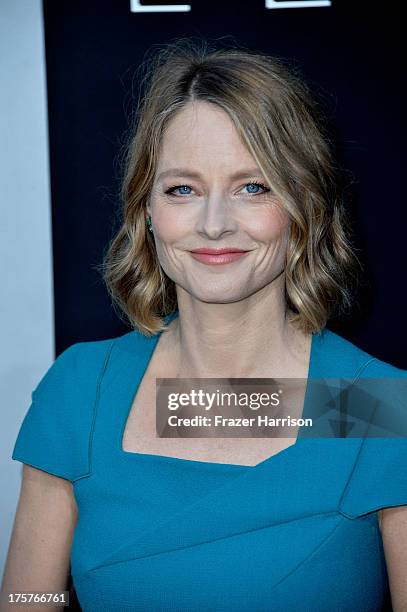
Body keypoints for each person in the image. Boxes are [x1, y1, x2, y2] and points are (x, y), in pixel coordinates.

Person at [2, 40, 407, 612]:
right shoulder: (83, 390)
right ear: (146, 211)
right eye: (183, 190)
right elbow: (28, 598)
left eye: (253, 187)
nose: (214, 224)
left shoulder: (372, 406)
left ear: (305, 205)